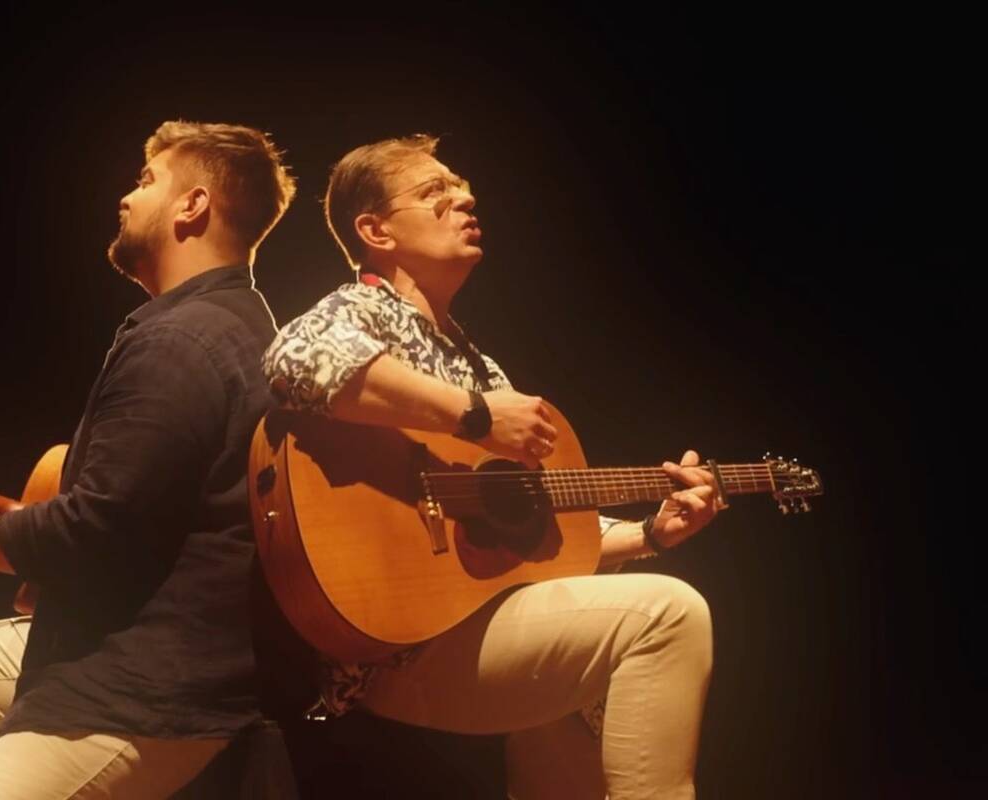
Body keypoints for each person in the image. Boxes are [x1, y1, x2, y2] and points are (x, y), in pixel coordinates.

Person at [261, 134, 721, 800]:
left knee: (574, 733)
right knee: (667, 614)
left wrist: (649, 533)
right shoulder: (360, 310)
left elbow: (530, 537)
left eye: (463, 187)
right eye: (435, 191)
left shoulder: (478, 365)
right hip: (399, 645)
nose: (466, 198)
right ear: (376, 231)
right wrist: (474, 414)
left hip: (476, 619)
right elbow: (294, 358)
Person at [0, 120, 296, 799]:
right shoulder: (243, 326)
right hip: (192, 662)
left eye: (146, 181)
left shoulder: (181, 341)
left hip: (143, 689)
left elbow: (97, 527)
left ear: (193, 205)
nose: (126, 198)